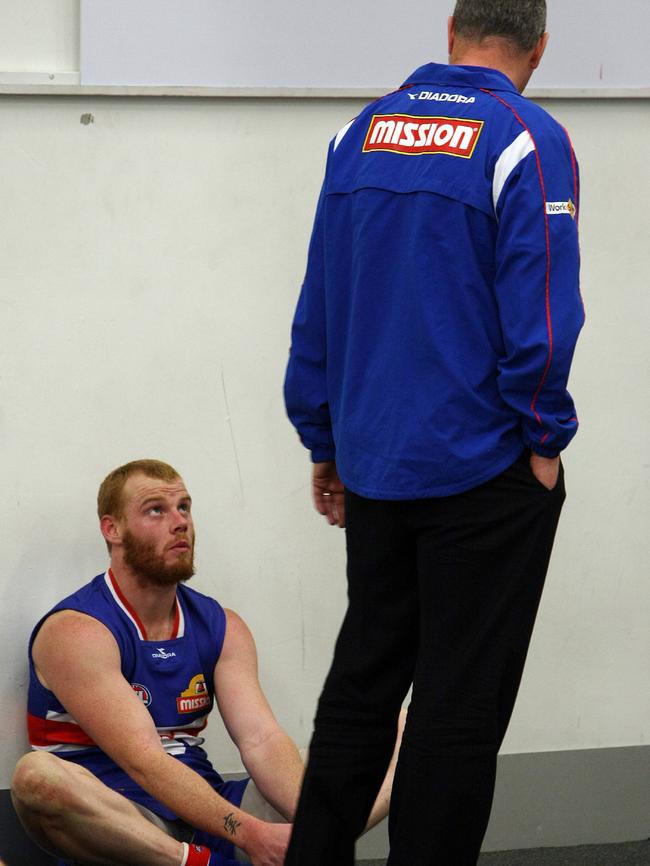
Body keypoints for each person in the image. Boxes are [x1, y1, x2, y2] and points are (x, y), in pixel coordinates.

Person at [283, 1, 585, 864]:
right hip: (485, 472)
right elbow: (543, 318)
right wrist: (545, 440)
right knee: (459, 705)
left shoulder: (358, 135)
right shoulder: (526, 139)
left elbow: (321, 305)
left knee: (360, 690)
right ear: (539, 48)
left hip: (375, 468)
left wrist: (324, 440)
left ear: (450, 35)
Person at [11, 459, 402, 866]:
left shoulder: (222, 625)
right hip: (129, 828)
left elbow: (261, 740)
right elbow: (143, 760)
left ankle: (310, 840)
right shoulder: (77, 632)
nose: (179, 522)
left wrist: (308, 825)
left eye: (184, 507)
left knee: (405, 725)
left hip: (213, 814)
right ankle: (199, 862)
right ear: (113, 530)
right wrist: (251, 836)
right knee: (37, 779)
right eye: (156, 510)